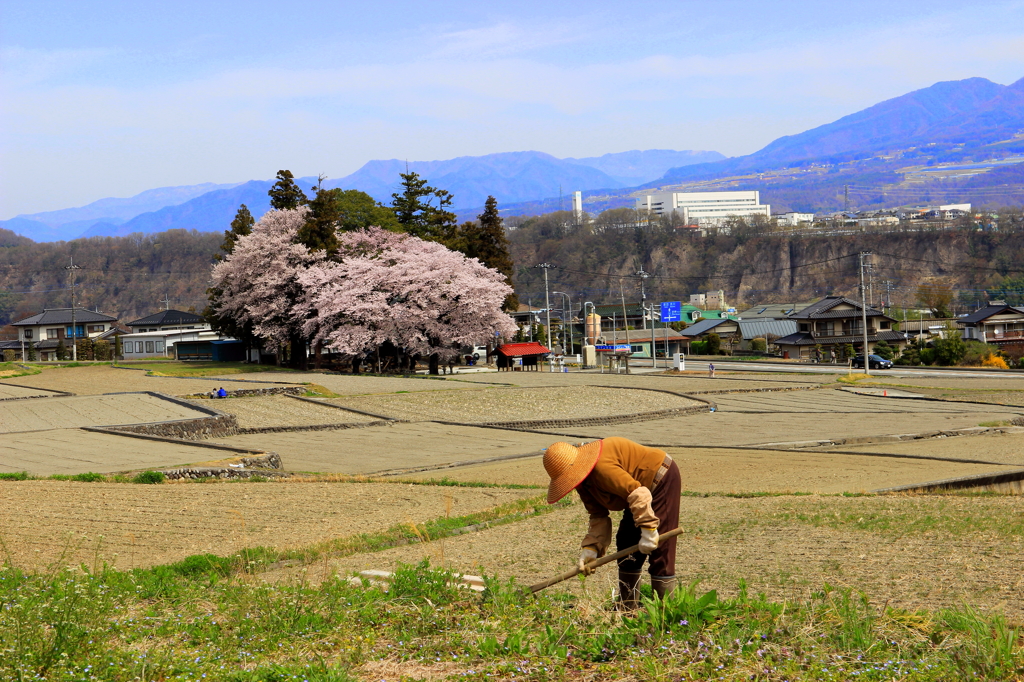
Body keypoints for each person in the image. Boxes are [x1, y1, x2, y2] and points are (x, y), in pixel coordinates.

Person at [543, 437, 681, 609]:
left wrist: (649, 529)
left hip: (659, 478)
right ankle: (627, 608)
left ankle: (665, 613)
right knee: (626, 543)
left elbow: (638, 494)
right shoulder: (582, 482)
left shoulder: (602, 468)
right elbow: (597, 515)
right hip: (636, 494)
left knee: (661, 549)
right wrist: (590, 549)